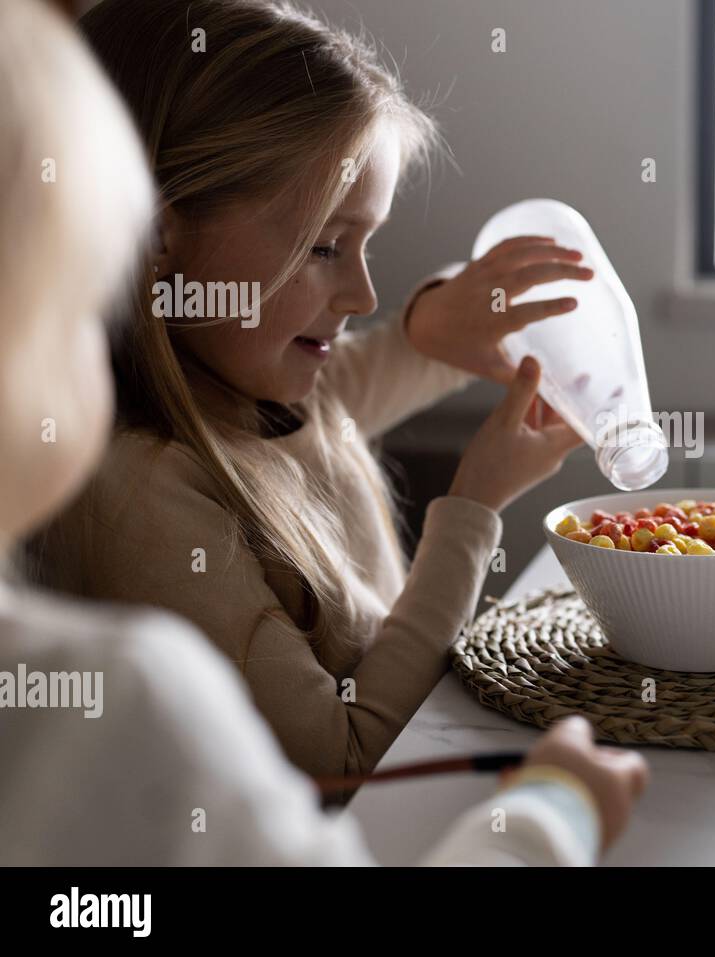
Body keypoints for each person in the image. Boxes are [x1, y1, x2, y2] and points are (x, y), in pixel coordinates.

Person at [1, 0, 646, 866]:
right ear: (157, 239)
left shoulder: (250, 395)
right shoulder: (148, 496)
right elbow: (342, 759)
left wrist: (441, 323)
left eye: (368, 242)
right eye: (325, 247)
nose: (363, 293)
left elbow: (353, 381)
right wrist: (473, 507)